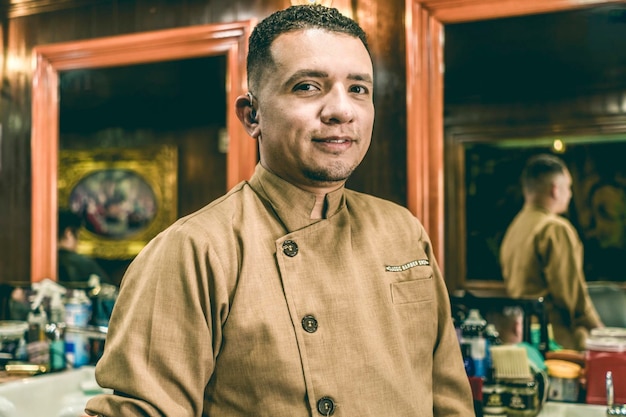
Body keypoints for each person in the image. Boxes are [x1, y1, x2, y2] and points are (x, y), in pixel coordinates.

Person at [84, 5, 474, 417]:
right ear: (252, 115)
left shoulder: (402, 229)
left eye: (358, 89)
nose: (342, 110)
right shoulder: (194, 250)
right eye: (308, 86)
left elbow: (448, 397)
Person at [499, 154, 603, 351]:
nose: (570, 194)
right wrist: (600, 331)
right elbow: (572, 298)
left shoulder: (514, 228)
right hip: (558, 341)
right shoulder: (555, 228)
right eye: (568, 187)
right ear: (555, 190)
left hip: (525, 338)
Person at [57, 209, 110, 287]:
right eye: (79, 236)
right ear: (69, 234)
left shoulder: (39, 262)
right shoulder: (84, 264)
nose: (79, 243)